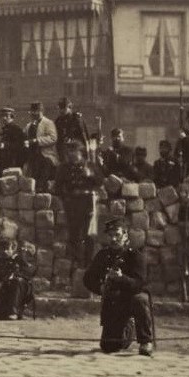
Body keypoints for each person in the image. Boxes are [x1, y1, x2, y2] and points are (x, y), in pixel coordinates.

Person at [83, 218, 154, 355]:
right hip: (113, 304)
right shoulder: (103, 255)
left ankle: (145, 341)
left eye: (117, 235)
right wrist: (101, 288)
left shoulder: (135, 256)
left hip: (131, 300)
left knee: (140, 299)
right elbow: (88, 278)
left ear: (126, 235)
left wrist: (121, 278)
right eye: (110, 235)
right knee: (109, 347)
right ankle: (128, 329)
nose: (114, 239)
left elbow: (139, 284)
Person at [54, 140, 100, 287]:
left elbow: (100, 181)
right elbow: (57, 187)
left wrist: (90, 175)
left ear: (81, 153)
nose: (71, 155)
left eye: (74, 152)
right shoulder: (64, 168)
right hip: (72, 205)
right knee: (74, 237)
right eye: (69, 152)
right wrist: (66, 199)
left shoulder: (90, 165)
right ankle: (76, 269)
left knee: (89, 237)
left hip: (88, 203)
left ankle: (88, 267)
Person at [0, 238, 37, 321]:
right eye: (3, 249)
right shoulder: (0, 262)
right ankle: (8, 311)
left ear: (13, 249)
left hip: (22, 289)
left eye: (8, 249)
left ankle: (14, 311)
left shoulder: (20, 259)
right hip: (6, 288)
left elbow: (30, 272)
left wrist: (15, 275)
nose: (5, 251)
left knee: (16, 281)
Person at [25, 102, 59, 191]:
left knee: (42, 182)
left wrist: (37, 141)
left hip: (45, 155)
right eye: (32, 112)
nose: (34, 114)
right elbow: (25, 137)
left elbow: (53, 138)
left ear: (41, 111)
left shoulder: (48, 123)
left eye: (36, 112)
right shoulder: (29, 126)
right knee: (31, 180)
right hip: (32, 156)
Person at [55, 98, 88, 163]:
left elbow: (84, 138)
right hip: (63, 153)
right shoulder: (58, 121)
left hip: (76, 153)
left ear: (69, 108)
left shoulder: (76, 120)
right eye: (60, 108)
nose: (61, 110)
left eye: (64, 108)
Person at [0, 106, 26, 175]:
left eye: (7, 116)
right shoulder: (4, 129)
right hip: (4, 161)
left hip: (13, 161)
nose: (4, 118)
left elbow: (20, 145)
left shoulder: (16, 129)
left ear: (12, 117)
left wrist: (6, 145)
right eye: (3, 116)